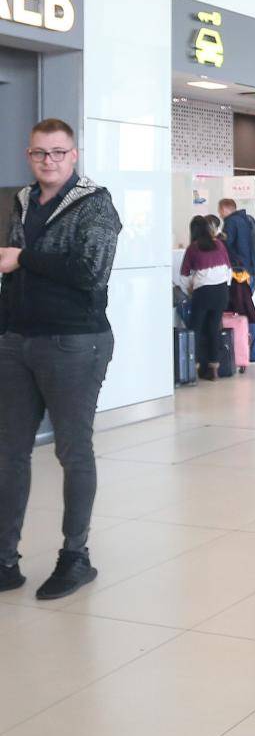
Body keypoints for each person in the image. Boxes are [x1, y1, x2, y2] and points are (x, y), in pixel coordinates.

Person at [0, 118, 121, 599]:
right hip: (17, 340)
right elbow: (11, 273)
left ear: (74, 156)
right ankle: (5, 559)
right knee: (9, 455)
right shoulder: (23, 200)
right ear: (29, 156)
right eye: (38, 153)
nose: (47, 161)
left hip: (75, 342)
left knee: (72, 451)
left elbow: (91, 272)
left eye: (57, 153)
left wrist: (24, 259)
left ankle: (76, 557)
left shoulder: (95, 205)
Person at [179, 214, 234, 381]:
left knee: (195, 329)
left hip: (203, 293)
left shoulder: (193, 248)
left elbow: (184, 274)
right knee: (213, 329)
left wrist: (189, 289)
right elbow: (228, 270)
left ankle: (193, 369)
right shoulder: (219, 244)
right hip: (221, 292)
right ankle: (214, 369)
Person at [218, 197, 255, 361]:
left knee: (246, 313)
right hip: (251, 272)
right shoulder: (246, 220)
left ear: (224, 209)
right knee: (248, 311)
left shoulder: (230, 222)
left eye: (220, 211)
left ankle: (254, 354)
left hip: (240, 274)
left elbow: (224, 246)